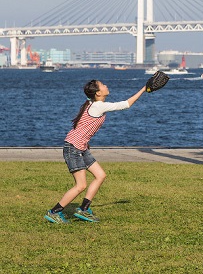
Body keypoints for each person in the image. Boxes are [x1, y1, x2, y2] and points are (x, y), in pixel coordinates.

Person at [44, 79, 146, 224]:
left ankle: (84, 209)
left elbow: (84, 127)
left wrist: (86, 142)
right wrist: (144, 89)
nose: (106, 86)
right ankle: (54, 212)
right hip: (73, 148)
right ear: (98, 93)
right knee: (80, 185)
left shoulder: (91, 104)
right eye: (103, 85)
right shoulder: (98, 106)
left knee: (100, 175)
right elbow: (126, 104)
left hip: (81, 147)